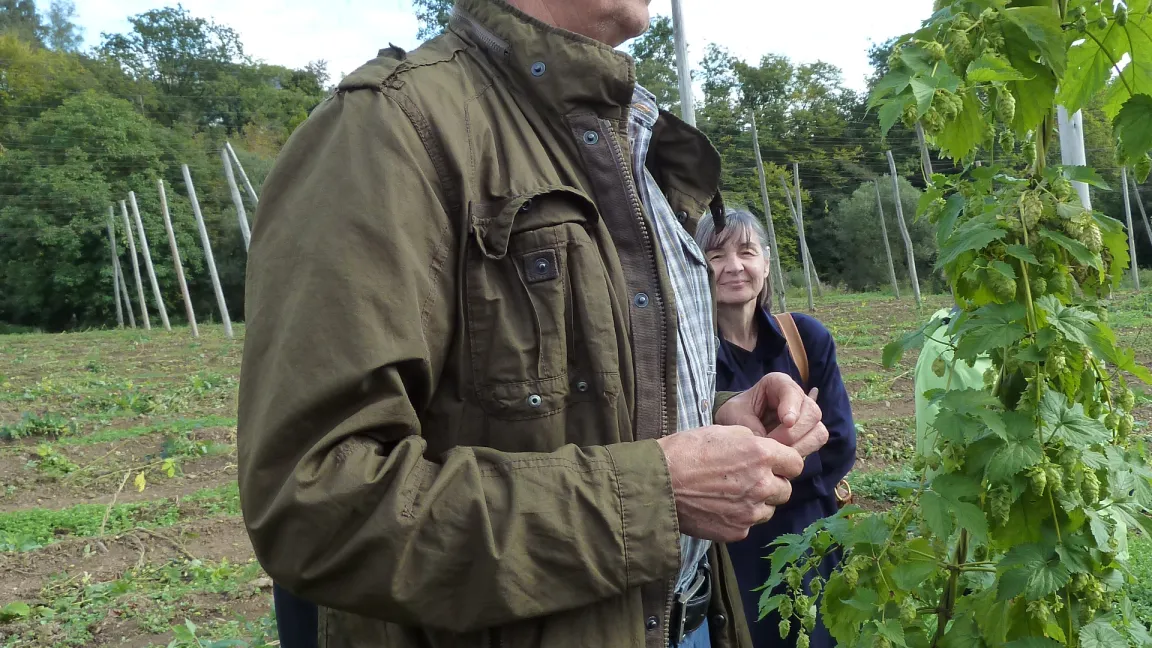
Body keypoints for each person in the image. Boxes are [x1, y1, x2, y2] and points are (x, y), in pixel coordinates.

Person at [236, 1, 830, 647]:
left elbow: (557, 403)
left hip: (686, 617)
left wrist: (715, 420)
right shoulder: (388, 128)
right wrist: (654, 494)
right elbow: (317, 508)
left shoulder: (631, 137)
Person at [695, 209, 856, 648]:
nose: (734, 266)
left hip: (810, 536)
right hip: (734, 547)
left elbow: (839, 446)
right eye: (716, 255)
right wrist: (794, 455)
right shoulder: (690, 360)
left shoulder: (805, 338)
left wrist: (751, 470)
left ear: (766, 263)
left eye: (746, 252)